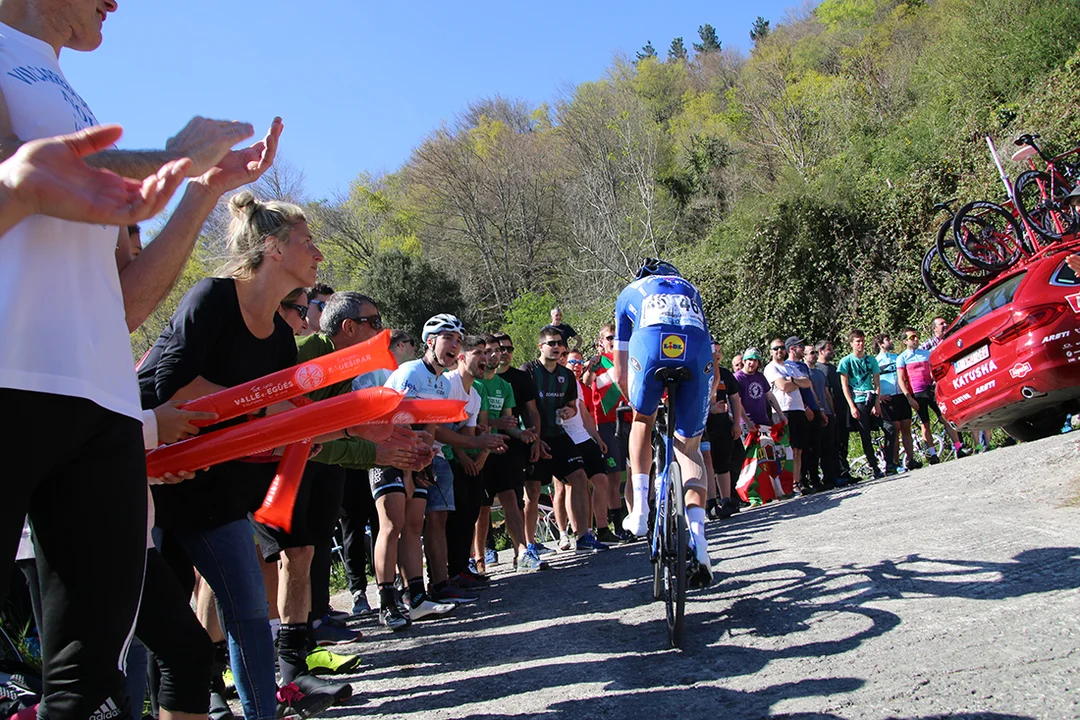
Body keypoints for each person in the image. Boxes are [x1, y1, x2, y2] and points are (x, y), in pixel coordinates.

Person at [140, 192, 338, 720]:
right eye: (307, 241)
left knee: (249, 609)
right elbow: (173, 387)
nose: (318, 253)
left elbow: (267, 420)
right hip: (145, 474)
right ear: (273, 247)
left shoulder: (279, 337)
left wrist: (300, 433)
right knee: (148, 633)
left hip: (212, 484)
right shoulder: (210, 297)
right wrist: (269, 407)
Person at [613, 259, 714, 587]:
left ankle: (640, 510)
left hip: (651, 347)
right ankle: (699, 539)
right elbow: (711, 354)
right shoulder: (690, 289)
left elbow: (620, 371)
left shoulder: (630, 292)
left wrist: (639, 402)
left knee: (642, 420)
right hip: (696, 353)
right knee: (689, 448)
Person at [523, 327, 609, 553]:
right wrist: (534, 439)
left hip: (559, 435)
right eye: (551, 343)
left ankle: (583, 536)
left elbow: (572, 406)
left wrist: (569, 411)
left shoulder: (567, 375)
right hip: (534, 437)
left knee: (579, 477)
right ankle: (528, 546)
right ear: (540, 346)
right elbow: (525, 409)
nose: (556, 347)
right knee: (533, 491)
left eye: (559, 343)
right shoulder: (528, 371)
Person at [473, 335, 544, 572]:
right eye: (488, 351)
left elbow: (509, 422)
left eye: (498, 350)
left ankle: (522, 552)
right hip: (477, 451)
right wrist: (498, 425)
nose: (495, 355)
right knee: (482, 507)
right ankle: (478, 561)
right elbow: (475, 422)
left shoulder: (505, 386)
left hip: (501, 448)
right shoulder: (474, 384)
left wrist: (522, 434)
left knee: (511, 499)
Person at [896, 327, 963, 463]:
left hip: (931, 391)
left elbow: (934, 371)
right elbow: (901, 380)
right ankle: (933, 454)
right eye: (912, 338)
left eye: (916, 336)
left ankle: (958, 448)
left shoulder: (926, 354)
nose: (915, 339)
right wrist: (909, 397)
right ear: (905, 341)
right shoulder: (902, 358)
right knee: (925, 423)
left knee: (945, 418)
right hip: (917, 394)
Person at [764, 337, 811, 493]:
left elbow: (807, 383)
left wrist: (791, 380)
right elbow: (783, 386)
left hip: (798, 409)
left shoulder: (791, 367)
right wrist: (794, 382)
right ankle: (786, 484)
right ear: (771, 352)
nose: (779, 351)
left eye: (782, 348)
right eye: (776, 348)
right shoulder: (771, 368)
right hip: (783, 411)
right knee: (786, 449)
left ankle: (797, 482)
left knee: (798, 449)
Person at [705, 341, 744, 519]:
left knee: (724, 463)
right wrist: (710, 410)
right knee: (706, 463)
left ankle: (727, 500)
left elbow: (735, 399)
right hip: (703, 425)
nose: (717, 354)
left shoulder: (725, 374)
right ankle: (710, 503)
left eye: (720, 351)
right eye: (714, 351)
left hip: (722, 424)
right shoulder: (699, 371)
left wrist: (737, 423)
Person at [838, 330, 884, 480]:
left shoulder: (871, 360)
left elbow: (877, 382)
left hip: (871, 397)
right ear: (852, 343)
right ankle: (874, 466)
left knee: (889, 427)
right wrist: (852, 406)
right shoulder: (846, 361)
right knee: (865, 434)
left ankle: (890, 461)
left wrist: (877, 402)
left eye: (862, 341)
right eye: (857, 341)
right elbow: (844, 386)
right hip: (858, 400)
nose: (861, 344)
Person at [875, 333, 918, 473]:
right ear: (881, 344)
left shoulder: (898, 357)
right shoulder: (876, 361)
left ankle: (911, 459)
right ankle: (895, 462)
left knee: (906, 427)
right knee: (895, 430)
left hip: (901, 396)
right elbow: (871, 381)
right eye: (887, 340)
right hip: (888, 399)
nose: (890, 341)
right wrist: (878, 397)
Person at [805, 343, 838, 487]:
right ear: (804, 356)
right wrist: (820, 409)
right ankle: (814, 480)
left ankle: (830, 477)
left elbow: (826, 393)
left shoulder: (820, 372)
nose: (814, 355)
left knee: (829, 446)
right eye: (811, 353)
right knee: (815, 448)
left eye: (814, 352)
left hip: (828, 413)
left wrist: (832, 410)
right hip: (815, 413)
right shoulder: (804, 373)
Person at [735, 348, 784, 430]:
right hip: (746, 423)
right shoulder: (738, 378)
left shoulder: (760, 376)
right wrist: (747, 422)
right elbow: (737, 402)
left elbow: (769, 396)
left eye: (755, 360)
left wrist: (780, 414)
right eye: (750, 359)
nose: (752, 363)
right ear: (744, 361)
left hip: (764, 422)